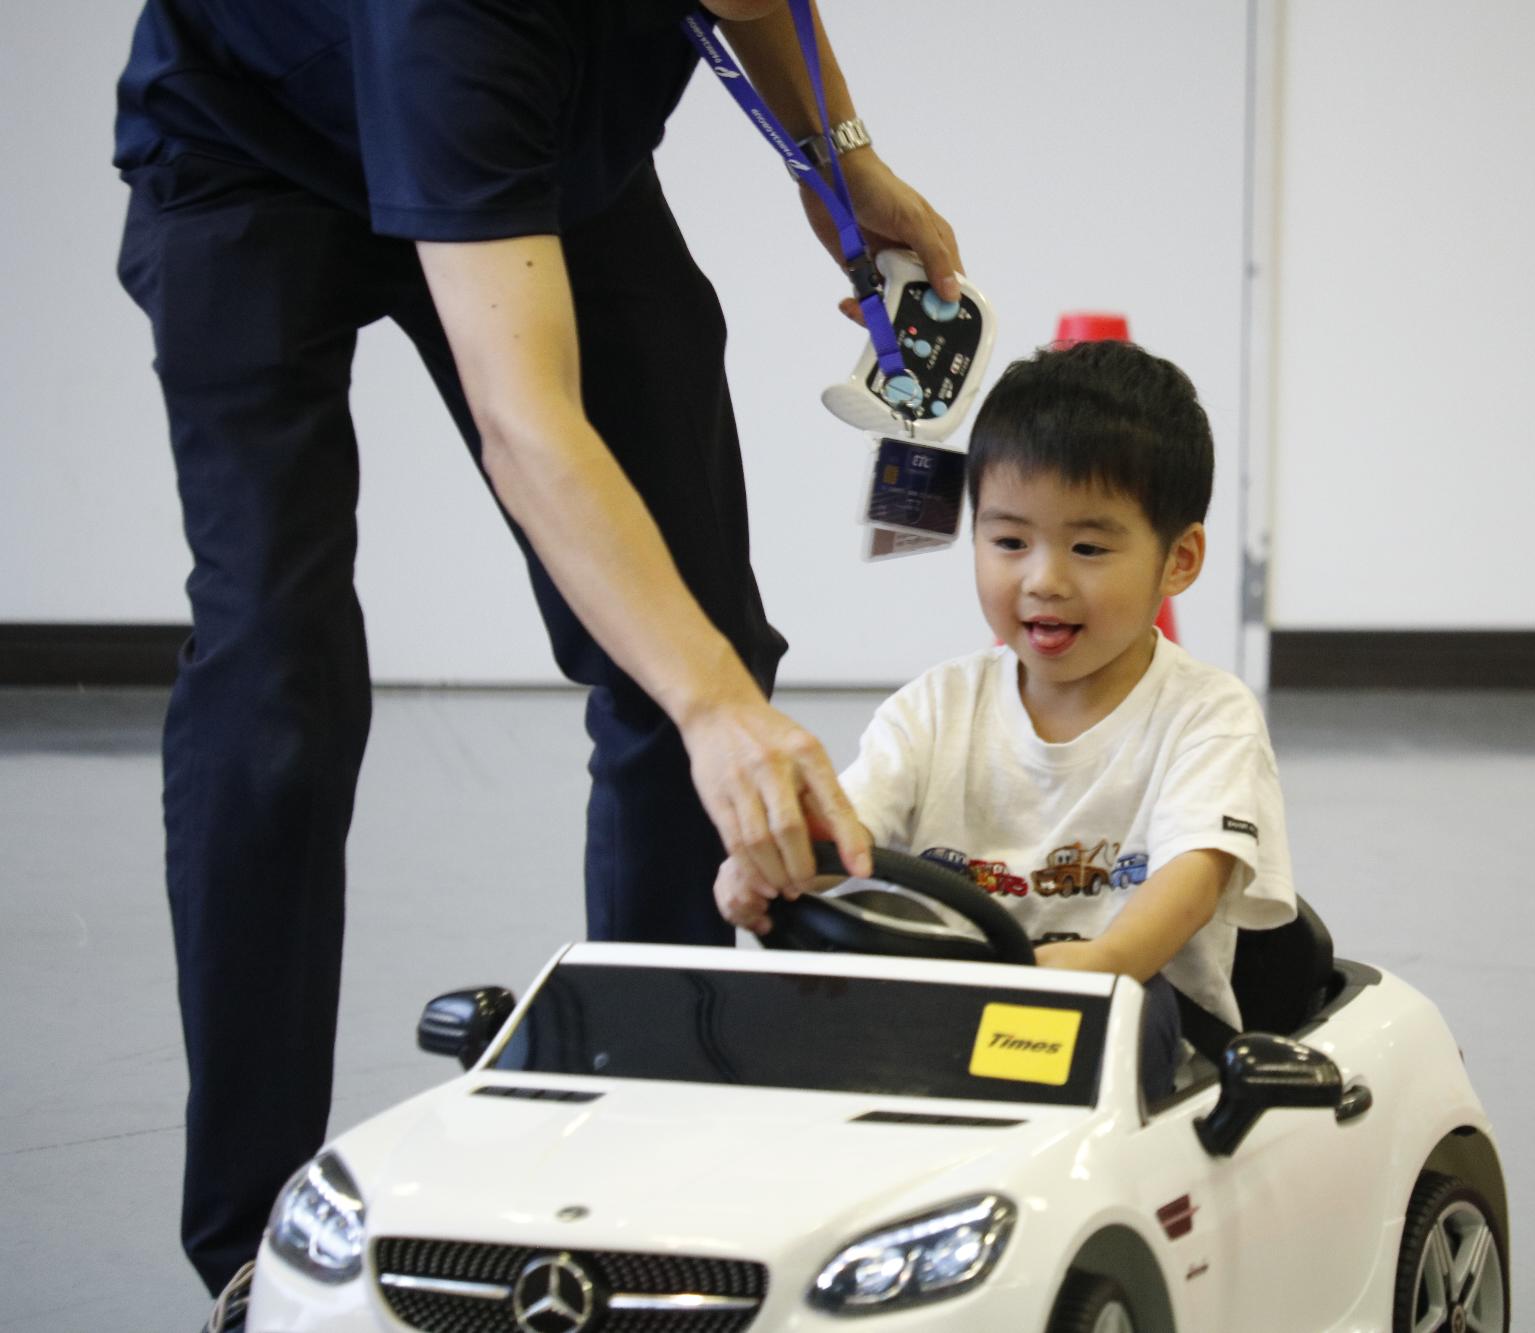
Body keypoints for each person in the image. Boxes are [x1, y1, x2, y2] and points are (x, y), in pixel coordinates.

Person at [113, 0, 954, 1316]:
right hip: (255, 151)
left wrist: (842, 163)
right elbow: (528, 425)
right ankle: (249, 1245)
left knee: (697, 625)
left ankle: (640, 1144)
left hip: (539, 157)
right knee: (277, 679)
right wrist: (717, 708)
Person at [715, 340, 1298, 1099]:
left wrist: (1110, 957)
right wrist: (775, 860)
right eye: (1010, 541)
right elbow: (850, 828)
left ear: (1179, 559)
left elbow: (1193, 875)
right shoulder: (933, 708)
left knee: (1079, 1033)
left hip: (1125, 1018)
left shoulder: (1206, 715)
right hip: (945, 1012)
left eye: (1088, 546)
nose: (1043, 579)